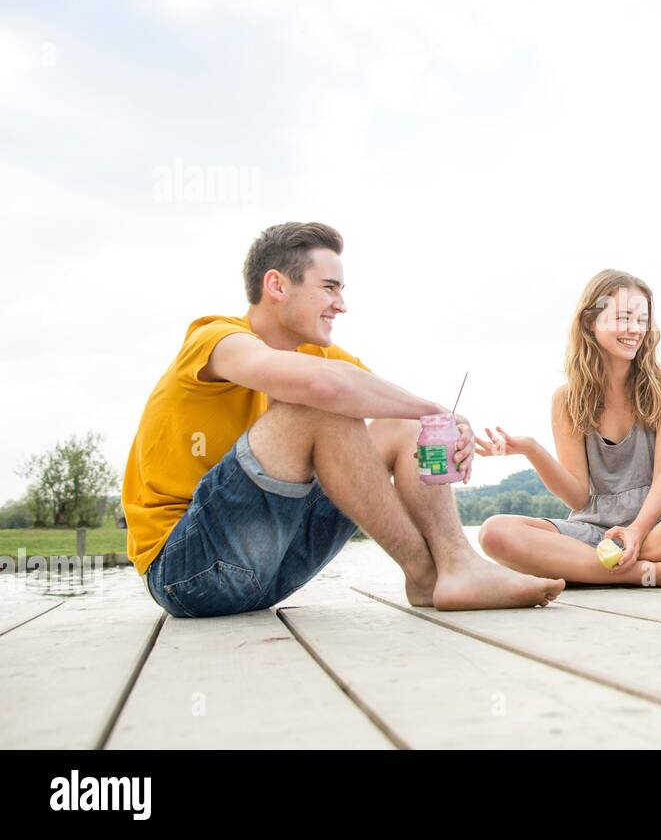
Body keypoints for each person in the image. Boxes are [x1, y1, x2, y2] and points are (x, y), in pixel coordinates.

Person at [123, 221, 564, 618]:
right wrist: (432, 408)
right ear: (276, 285)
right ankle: (428, 573)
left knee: (406, 428)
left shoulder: (323, 358)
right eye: (330, 288)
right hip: (188, 570)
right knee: (323, 404)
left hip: (271, 569)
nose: (341, 305)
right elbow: (325, 389)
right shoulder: (217, 338)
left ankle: (454, 567)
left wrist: (445, 428)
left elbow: (384, 406)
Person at [476, 269, 661, 588]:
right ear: (591, 322)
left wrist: (636, 531)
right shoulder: (566, 400)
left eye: (641, 319)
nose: (635, 329)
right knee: (494, 532)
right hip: (596, 531)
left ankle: (593, 568)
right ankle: (647, 573)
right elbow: (578, 498)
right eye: (623, 317)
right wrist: (531, 450)